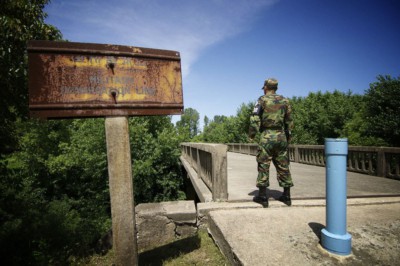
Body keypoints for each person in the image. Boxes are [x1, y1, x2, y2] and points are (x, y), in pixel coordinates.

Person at [248, 78, 294, 207]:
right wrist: (288, 137)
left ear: (266, 88)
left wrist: (252, 134)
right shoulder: (285, 101)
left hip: (267, 136)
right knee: (283, 165)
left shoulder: (261, 100)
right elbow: (289, 121)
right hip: (281, 137)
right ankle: (287, 196)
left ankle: (263, 197)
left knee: (263, 165)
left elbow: (254, 118)